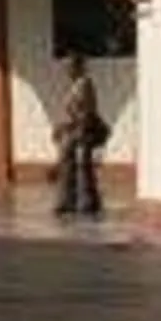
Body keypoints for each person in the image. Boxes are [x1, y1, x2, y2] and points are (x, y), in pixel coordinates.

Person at [52, 55, 105, 219]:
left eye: (70, 67)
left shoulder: (85, 84)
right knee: (68, 164)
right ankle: (68, 201)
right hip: (73, 130)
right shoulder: (75, 85)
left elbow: (86, 110)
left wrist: (78, 129)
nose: (67, 71)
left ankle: (86, 202)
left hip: (82, 131)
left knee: (82, 166)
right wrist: (62, 127)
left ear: (78, 67)